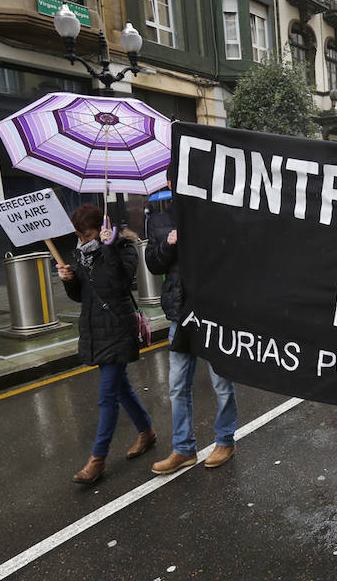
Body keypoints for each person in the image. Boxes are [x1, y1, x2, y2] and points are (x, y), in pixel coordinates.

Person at [57, 204, 156, 484]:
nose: (83, 241)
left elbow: (119, 282)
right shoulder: (83, 252)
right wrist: (69, 280)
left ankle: (97, 460)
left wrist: (108, 246)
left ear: (102, 227)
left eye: (87, 235)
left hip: (117, 326)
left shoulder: (123, 247)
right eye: (79, 236)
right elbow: (83, 296)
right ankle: (146, 432)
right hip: (95, 328)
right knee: (120, 389)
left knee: (107, 396)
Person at [146, 184, 239, 474]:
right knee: (177, 386)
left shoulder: (214, 210)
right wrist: (168, 244)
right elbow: (152, 263)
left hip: (212, 311)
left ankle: (225, 440)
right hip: (180, 313)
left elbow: (232, 254)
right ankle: (183, 449)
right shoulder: (160, 220)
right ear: (172, 183)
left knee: (222, 383)